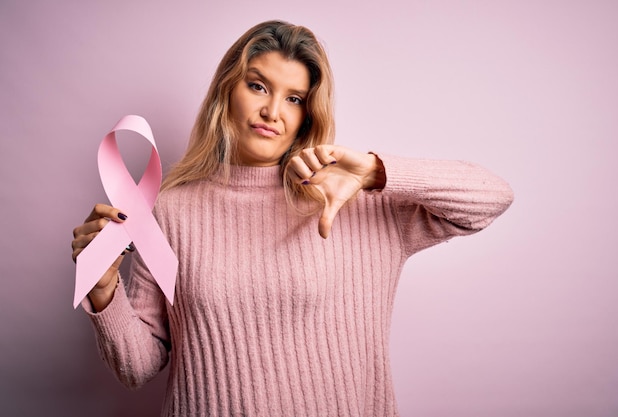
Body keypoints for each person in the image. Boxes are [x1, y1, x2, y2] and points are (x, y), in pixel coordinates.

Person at [71, 20, 514, 417]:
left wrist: (377, 171)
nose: (273, 112)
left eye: (294, 98)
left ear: (307, 114)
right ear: (228, 90)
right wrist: (104, 289)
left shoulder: (350, 200)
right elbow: (138, 368)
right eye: (258, 86)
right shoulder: (170, 210)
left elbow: (492, 196)